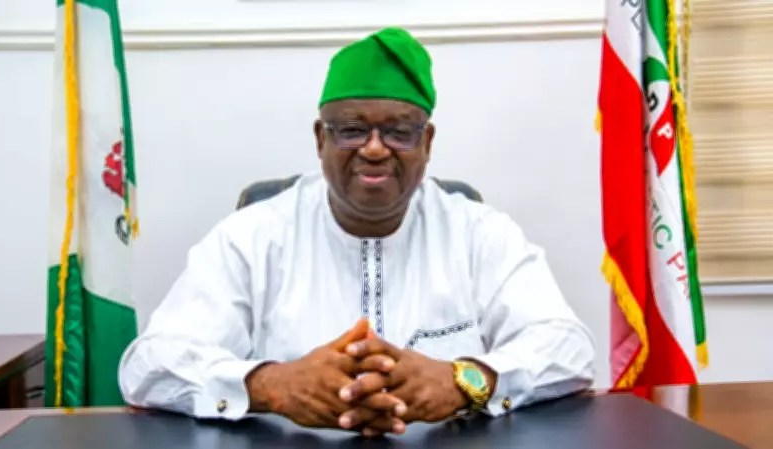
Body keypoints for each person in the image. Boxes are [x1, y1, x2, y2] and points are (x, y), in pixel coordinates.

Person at [118, 26, 596, 437]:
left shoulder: (480, 233)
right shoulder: (253, 235)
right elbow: (150, 363)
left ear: (427, 142)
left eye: (399, 132)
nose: (374, 149)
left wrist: (465, 380)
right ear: (320, 138)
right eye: (350, 130)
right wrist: (269, 385)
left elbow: (569, 349)